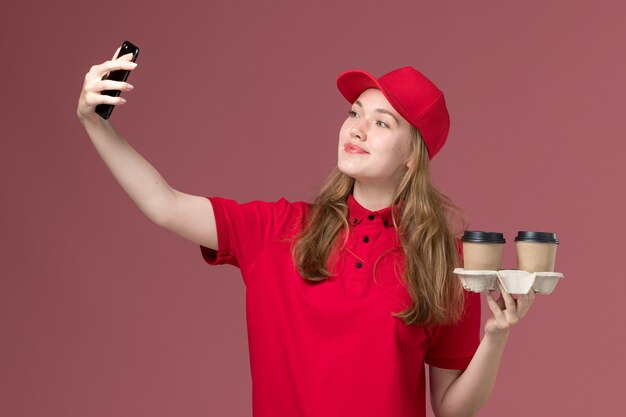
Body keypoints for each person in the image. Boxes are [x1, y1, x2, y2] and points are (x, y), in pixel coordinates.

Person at [77, 48, 535, 417]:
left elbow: (452, 409)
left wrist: (496, 335)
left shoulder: (443, 260)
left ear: (413, 155)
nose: (356, 129)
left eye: (381, 122)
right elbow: (165, 205)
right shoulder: (279, 229)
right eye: (355, 112)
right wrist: (94, 124)